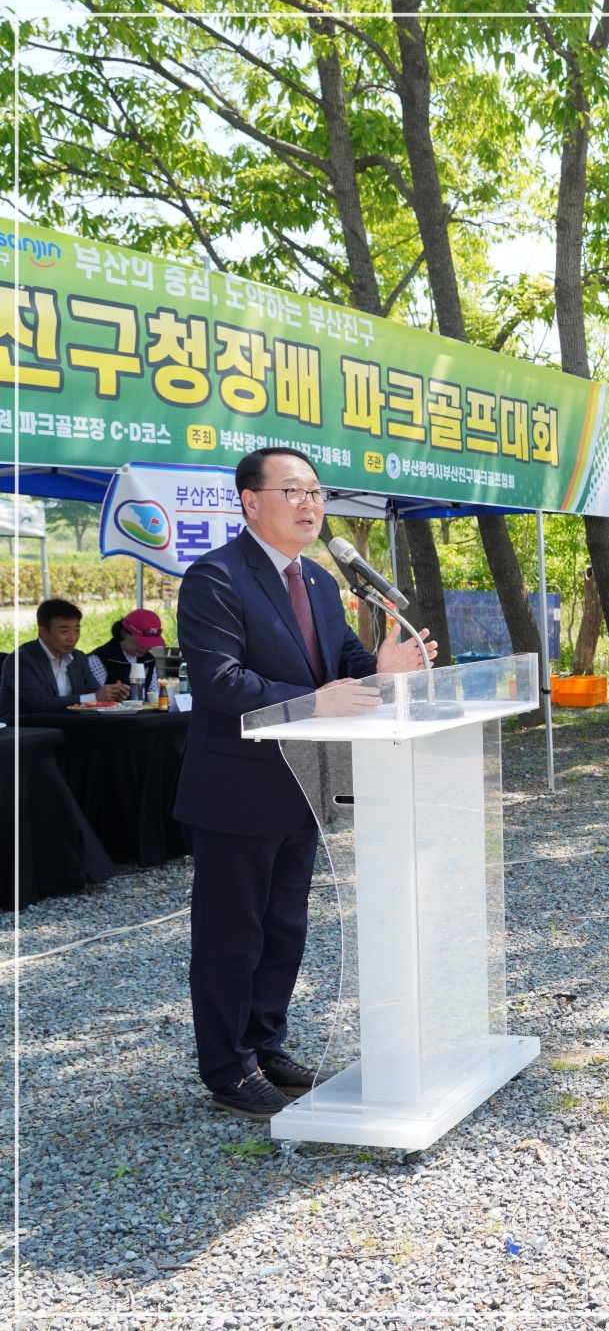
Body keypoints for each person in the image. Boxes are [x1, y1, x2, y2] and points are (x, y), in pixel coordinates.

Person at [176, 446, 435, 1122]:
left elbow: (347, 664)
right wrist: (316, 700)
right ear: (250, 501)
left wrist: (386, 667)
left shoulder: (319, 584)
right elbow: (220, 682)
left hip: (303, 785)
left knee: (284, 926)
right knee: (233, 932)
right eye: (292, 491)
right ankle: (228, 1068)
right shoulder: (216, 578)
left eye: (317, 492)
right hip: (236, 790)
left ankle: (265, 1044)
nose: (310, 504)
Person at [0, 598, 132, 714]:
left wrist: (113, 694)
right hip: (27, 730)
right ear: (44, 632)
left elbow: (95, 693)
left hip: (68, 726)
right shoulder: (21, 660)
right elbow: (40, 704)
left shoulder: (78, 658)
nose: (72, 638)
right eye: (65, 631)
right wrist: (95, 697)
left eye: (76, 630)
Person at [92, 607, 166, 695]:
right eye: (141, 642)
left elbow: (154, 693)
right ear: (123, 633)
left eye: (150, 643)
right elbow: (94, 696)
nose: (145, 647)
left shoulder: (148, 660)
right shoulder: (100, 659)